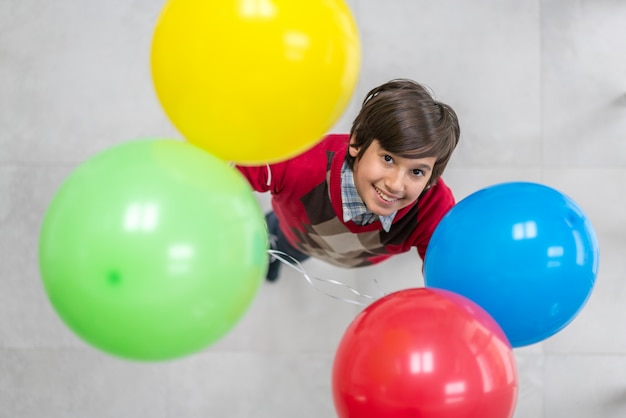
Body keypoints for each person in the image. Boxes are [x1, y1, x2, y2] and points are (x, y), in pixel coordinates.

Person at [237, 79, 460, 281]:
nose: (395, 184)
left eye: (417, 172)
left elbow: (449, 276)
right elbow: (224, 178)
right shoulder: (299, 163)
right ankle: (277, 253)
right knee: (285, 244)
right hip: (297, 233)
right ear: (357, 144)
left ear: (432, 178)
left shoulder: (435, 210)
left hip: (358, 256)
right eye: (388, 158)